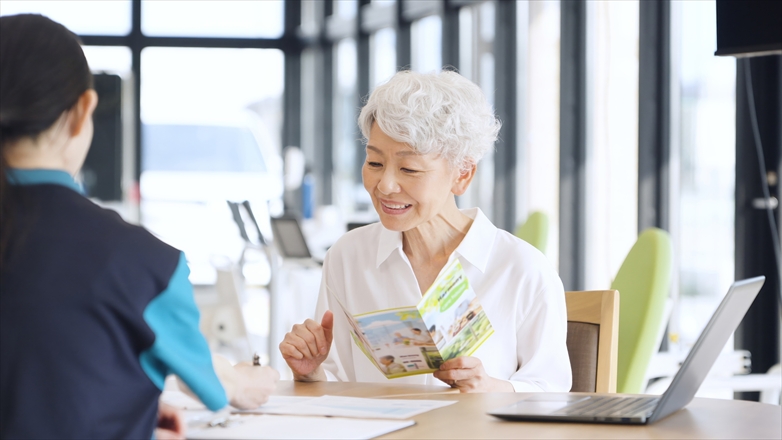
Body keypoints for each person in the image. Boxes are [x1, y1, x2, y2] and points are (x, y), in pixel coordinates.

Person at [0, 14, 279, 439]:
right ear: (83, 112)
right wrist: (242, 382)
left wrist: (126, 406)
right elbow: (214, 388)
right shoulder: (142, 263)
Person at [279, 70, 571, 393]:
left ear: (462, 174)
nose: (385, 185)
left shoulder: (521, 269)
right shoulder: (347, 258)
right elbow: (337, 383)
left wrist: (493, 390)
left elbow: (554, 393)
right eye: (375, 163)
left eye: (409, 169)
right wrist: (311, 372)